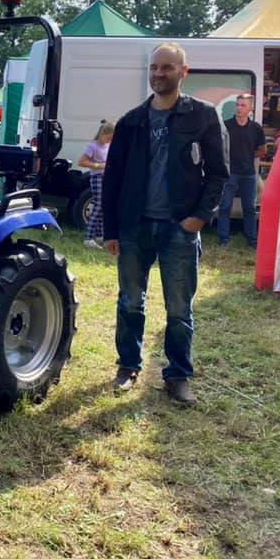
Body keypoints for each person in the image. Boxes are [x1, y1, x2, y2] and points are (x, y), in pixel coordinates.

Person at [102, 43, 229, 405]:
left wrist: (199, 217)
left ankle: (178, 376)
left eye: (167, 68)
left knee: (179, 309)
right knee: (130, 302)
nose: (159, 73)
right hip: (135, 227)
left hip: (179, 228)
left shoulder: (202, 116)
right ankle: (128, 367)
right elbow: (113, 178)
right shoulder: (131, 121)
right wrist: (111, 230)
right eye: (154, 67)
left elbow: (218, 173)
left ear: (184, 72)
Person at [217, 94, 267, 247]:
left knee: (249, 208)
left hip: (249, 174)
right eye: (237, 105)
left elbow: (263, 150)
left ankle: (252, 240)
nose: (239, 108)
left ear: (250, 108)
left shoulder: (256, 128)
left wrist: (248, 155)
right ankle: (224, 239)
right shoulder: (226, 126)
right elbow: (218, 147)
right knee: (225, 207)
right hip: (229, 173)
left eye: (243, 105)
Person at [78, 120, 115, 249]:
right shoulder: (92, 146)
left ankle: (99, 235)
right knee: (98, 205)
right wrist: (99, 165)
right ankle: (88, 238)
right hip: (97, 177)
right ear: (102, 134)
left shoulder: (108, 145)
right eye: (108, 138)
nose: (109, 140)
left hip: (107, 177)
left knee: (104, 206)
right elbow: (81, 162)